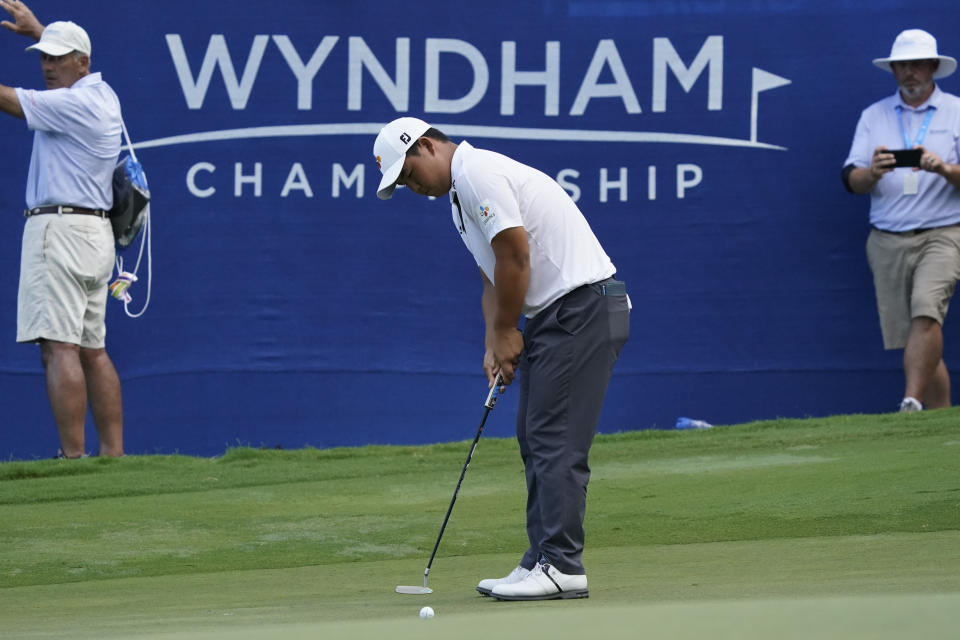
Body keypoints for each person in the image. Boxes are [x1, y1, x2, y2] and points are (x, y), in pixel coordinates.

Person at [373, 117, 630, 600]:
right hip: (558, 316)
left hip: (582, 309)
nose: (411, 187)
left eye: (408, 175)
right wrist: (495, 341)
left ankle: (562, 566)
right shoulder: (459, 199)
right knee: (534, 436)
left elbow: (515, 255)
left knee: (554, 439)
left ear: (426, 146)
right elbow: (493, 276)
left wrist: (510, 329)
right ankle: (542, 557)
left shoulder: (477, 175)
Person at [0, 0, 125, 456]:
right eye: (44, 57)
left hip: (60, 233)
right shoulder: (103, 94)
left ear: (83, 63)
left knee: (60, 348)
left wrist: (42, 33)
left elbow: (7, 99)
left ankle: (71, 458)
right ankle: (114, 457)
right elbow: (65, 66)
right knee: (93, 350)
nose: (48, 67)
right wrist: (41, 31)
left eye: (58, 58)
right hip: (94, 236)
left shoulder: (71, 104)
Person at [842, 29, 960, 413]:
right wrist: (872, 172)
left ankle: (910, 402)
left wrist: (943, 168)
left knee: (926, 310)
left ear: (932, 68)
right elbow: (851, 180)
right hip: (887, 238)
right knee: (916, 334)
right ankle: (942, 420)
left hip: (943, 232)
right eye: (902, 65)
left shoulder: (957, 112)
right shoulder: (873, 116)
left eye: (917, 64)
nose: (909, 72)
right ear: (893, 70)